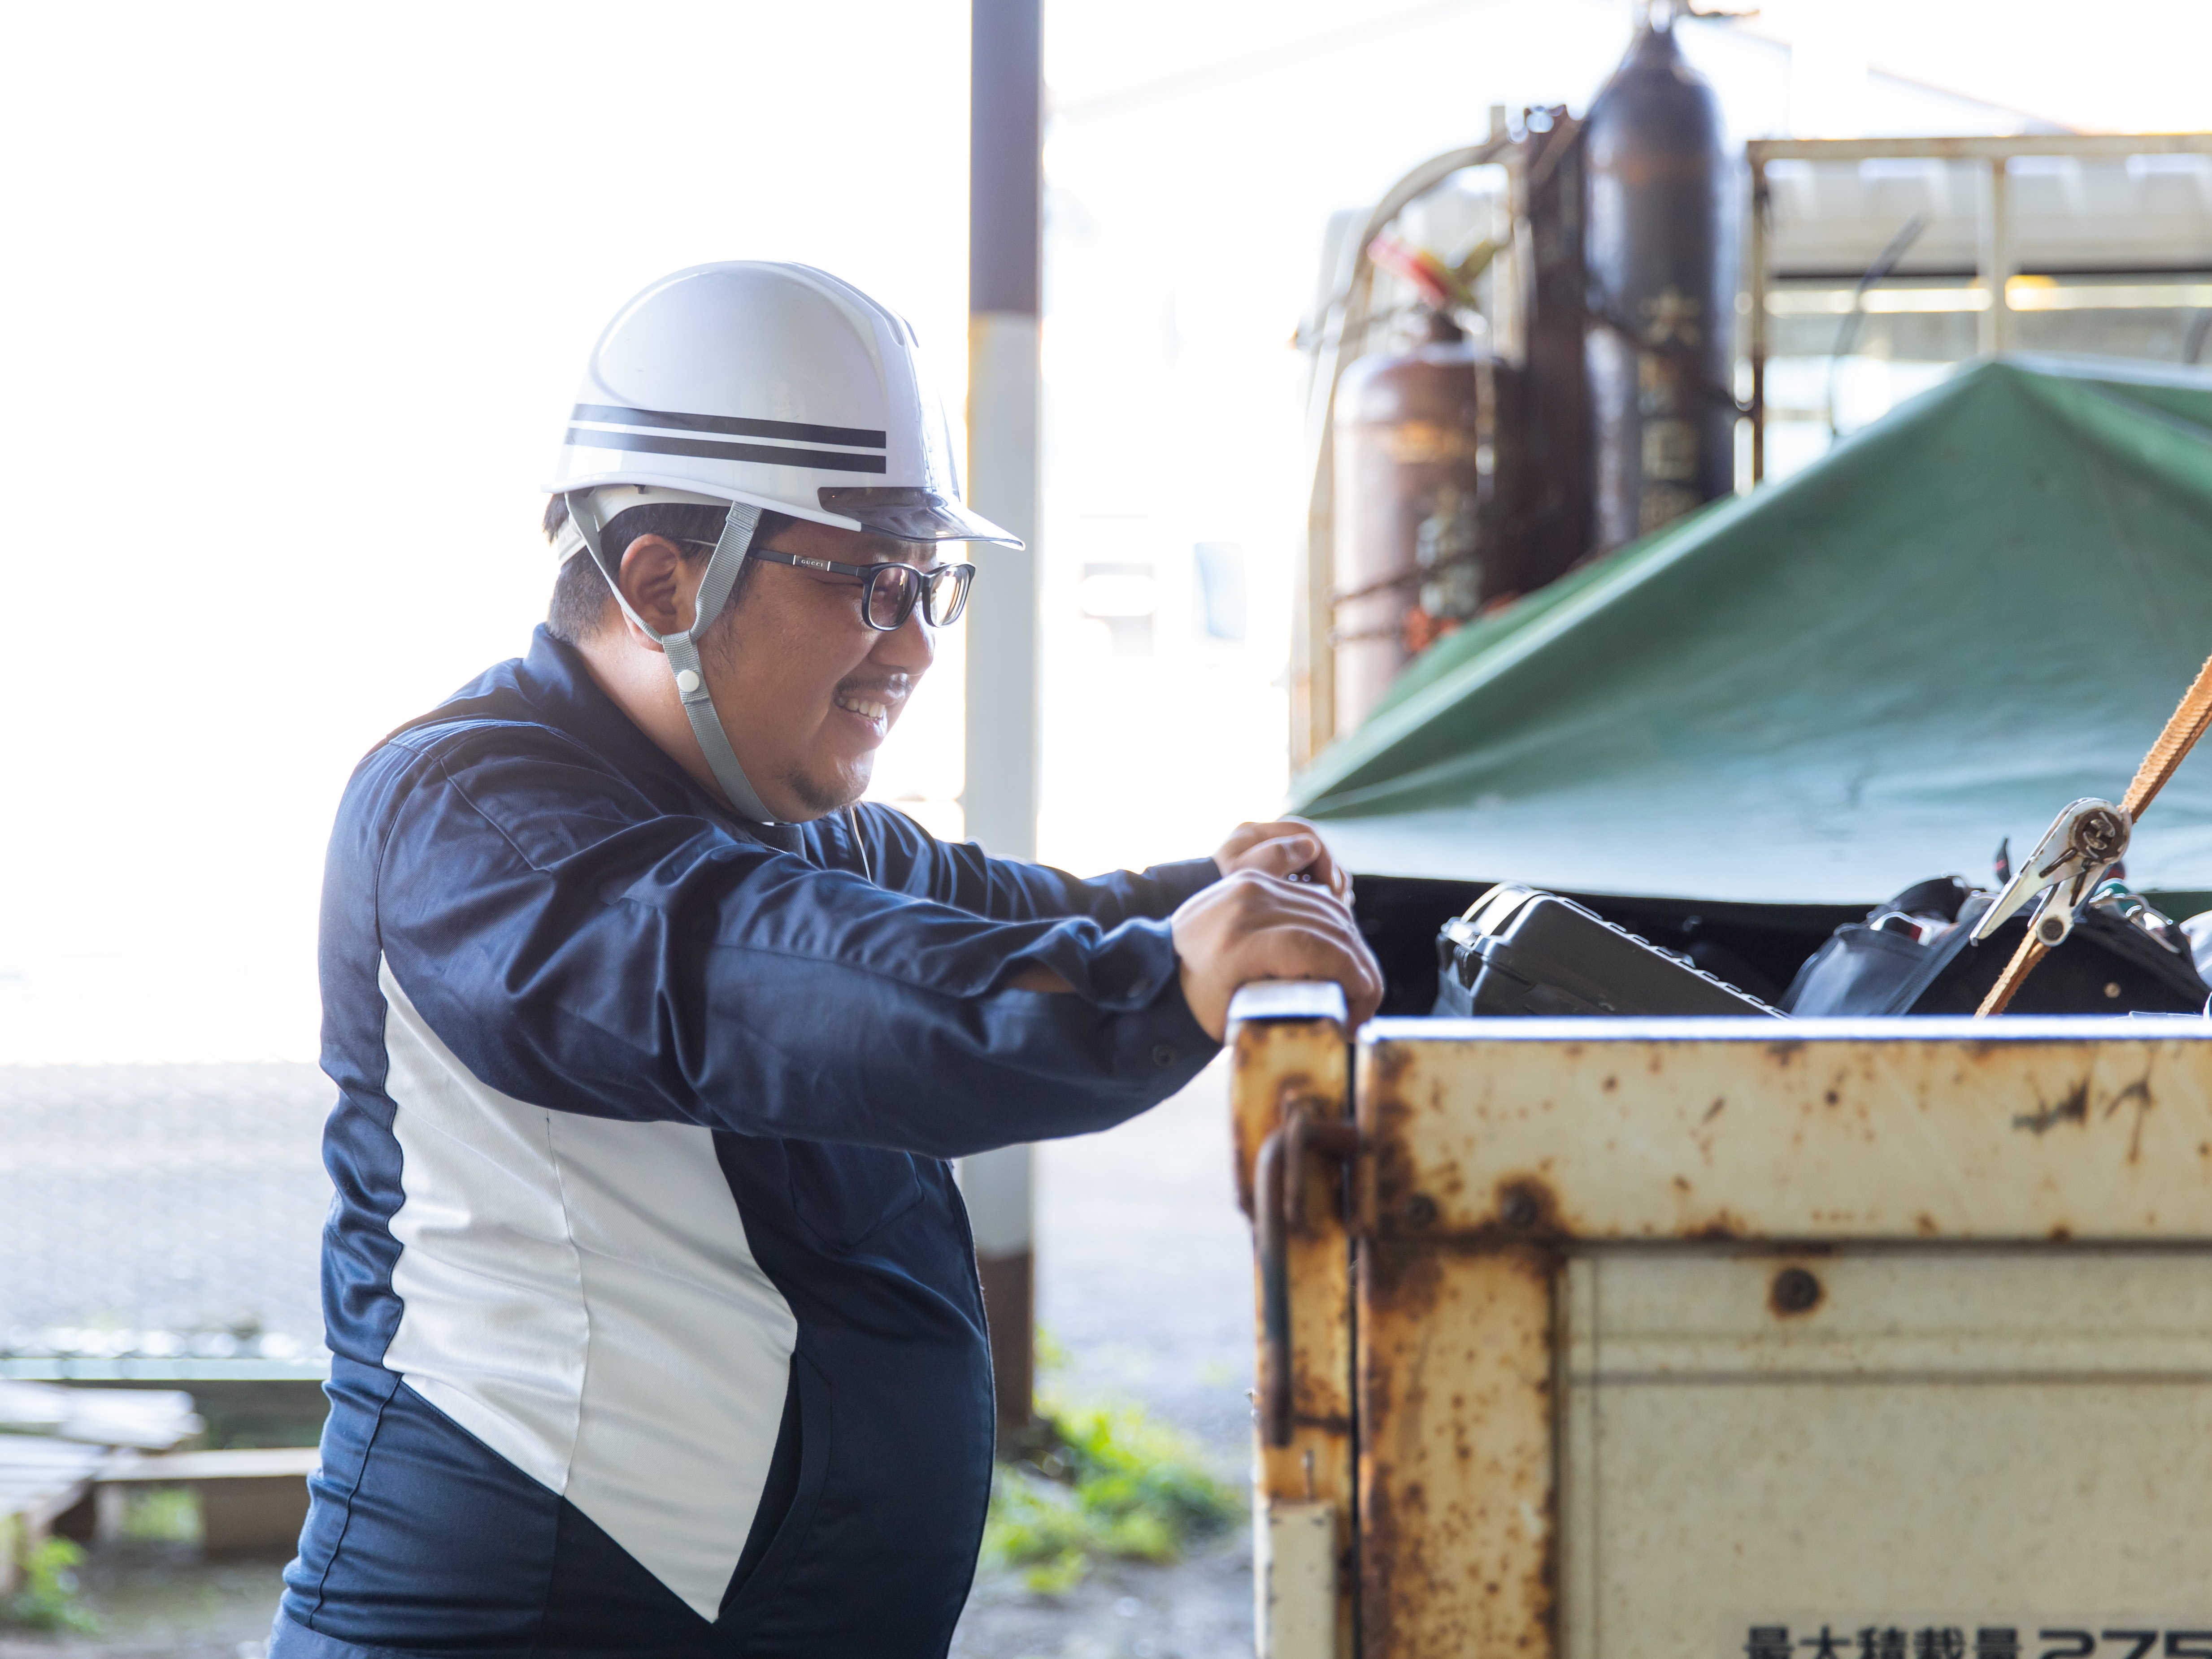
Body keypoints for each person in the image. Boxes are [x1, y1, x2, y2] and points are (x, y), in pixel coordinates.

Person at [271, 261, 1382, 1659]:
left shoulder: (786, 818)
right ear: (662, 579)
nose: (916, 639)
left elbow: (996, 920)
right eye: (870, 579)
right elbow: (769, 982)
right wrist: (1158, 986)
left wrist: (1222, 899)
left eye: (933, 582)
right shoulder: (473, 819)